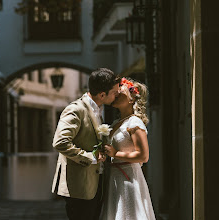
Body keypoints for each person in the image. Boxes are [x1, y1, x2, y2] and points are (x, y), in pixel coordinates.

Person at [51, 68, 121, 220]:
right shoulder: (76, 110)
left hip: (96, 184)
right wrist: (90, 157)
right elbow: (60, 142)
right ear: (102, 94)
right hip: (79, 187)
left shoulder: (98, 109)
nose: (117, 94)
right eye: (114, 92)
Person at [101, 77, 156, 220]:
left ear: (132, 98)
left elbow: (143, 156)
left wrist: (115, 153)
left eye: (121, 91)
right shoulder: (115, 123)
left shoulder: (134, 122)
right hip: (113, 178)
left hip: (128, 179)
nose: (117, 93)